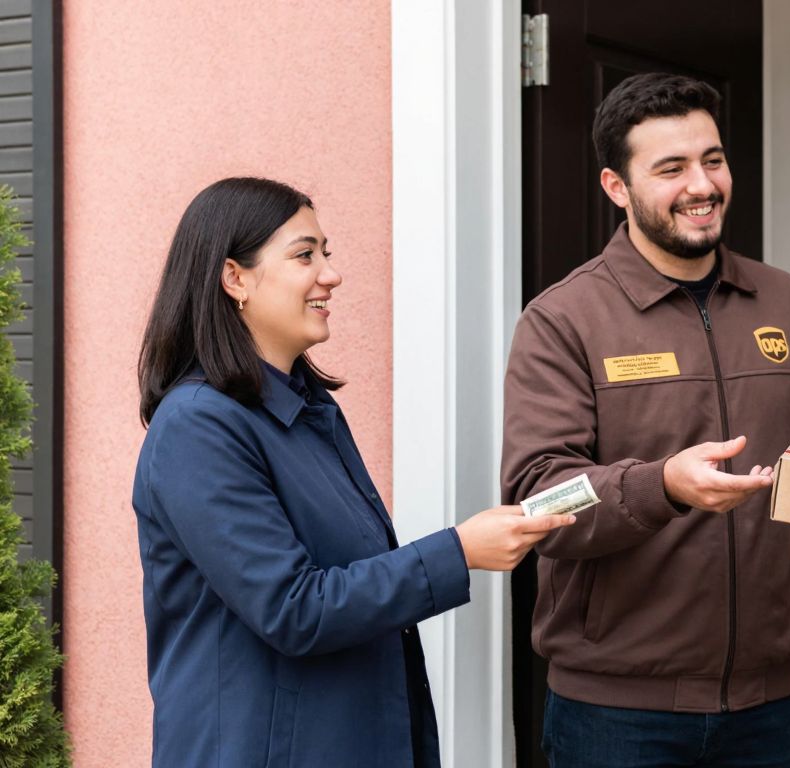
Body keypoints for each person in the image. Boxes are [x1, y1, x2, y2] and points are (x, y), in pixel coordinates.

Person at [501, 73, 790, 767]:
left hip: (764, 710)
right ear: (616, 187)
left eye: (712, 160)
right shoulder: (562, 321)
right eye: (670, 168)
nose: (701, 185)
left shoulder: (786, 303)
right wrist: (664, 488)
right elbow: (538, 498)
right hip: (614, 718)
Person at [133, 177, 574, 767]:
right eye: (304, 255)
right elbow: (294, 608)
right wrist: (459, 550)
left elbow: (350, 582)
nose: (330, 275)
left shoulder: (307, 408)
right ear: (234, 278)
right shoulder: (197, 428)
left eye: (327, 253)